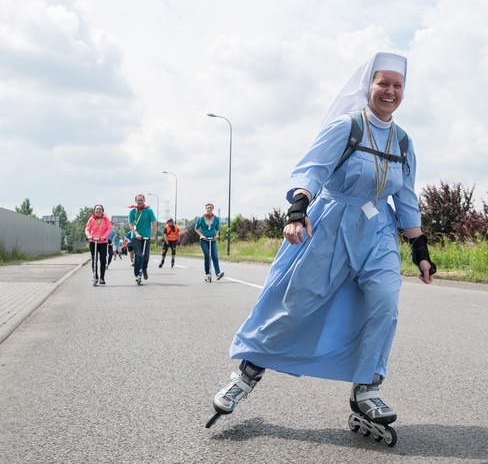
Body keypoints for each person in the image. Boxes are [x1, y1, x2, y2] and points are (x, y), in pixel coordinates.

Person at [210, 53, 436, 434]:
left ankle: (367, 388)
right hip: (331, 226)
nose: (390, 91)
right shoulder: (347, 127)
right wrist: (298, 210)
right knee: (296, 304)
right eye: (384, 83)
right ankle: (248, 372)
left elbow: (407, 197)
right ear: (369, 86)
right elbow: (312, 169)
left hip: (378, 231)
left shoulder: (402, 141)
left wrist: (420, 250)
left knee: (384, 304)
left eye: (398, 85)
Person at [128, 194, 157, 282]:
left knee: (146, 256)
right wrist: (136, 233)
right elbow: (130, 224)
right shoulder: (133, 211)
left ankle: (144, 269)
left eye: (141, 200)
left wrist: (153, 235)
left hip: (146, 236)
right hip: (136, 236)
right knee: (138, 255)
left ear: (144, 201)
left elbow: (154, 224)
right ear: (135, 201)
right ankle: (137, 274)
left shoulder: (149, 210)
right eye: (138, 200)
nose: (140, 201)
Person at [194, 204, 224, 281]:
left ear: (213, 209)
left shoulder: (216, 218)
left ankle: (218, 273)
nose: (209, 209)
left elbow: (217, 229)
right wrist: (201, 235)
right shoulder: (201, 218)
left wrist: (217, 235)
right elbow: (196, 228)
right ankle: (207, 274)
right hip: (204, 239)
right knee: (207, 255)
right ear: (205, 209)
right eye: (208, 208)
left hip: (212, 239)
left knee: (214, 256)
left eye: (210, 208)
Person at [84, 204, 113, 285]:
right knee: (94, 259)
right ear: (94, 210)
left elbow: (109, 228)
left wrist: (104, 236)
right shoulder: (91, 219)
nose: (98, 210)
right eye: (97, 209)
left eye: (100, 209)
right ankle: (95, 276)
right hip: (93, 241)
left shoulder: (106, 219)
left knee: (103, 260)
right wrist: (89, 235)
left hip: (103, 242)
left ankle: (102, 277)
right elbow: (87, 229)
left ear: (102, 211)